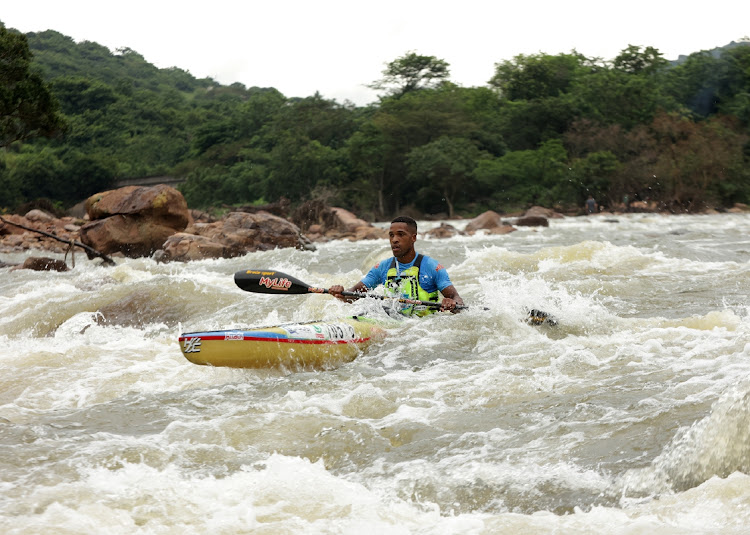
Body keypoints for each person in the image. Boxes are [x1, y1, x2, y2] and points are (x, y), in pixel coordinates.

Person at [329, 216, 464, 315]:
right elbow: (354, 294)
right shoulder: (382, 267)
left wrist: (452, 304)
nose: (394, 240)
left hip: (422, 330)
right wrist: (342, 294)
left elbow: (456, 299)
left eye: (401, 235)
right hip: (391, 324)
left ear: (413, 238)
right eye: (391, 235)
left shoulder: (432, 267)